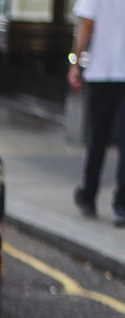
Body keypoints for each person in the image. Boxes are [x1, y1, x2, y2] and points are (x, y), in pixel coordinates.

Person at [69, 0, 125, 226]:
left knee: (97, 137)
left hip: (100, 72)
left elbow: (86, 24)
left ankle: (88, 196)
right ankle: (121, 205)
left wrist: (74, 62)